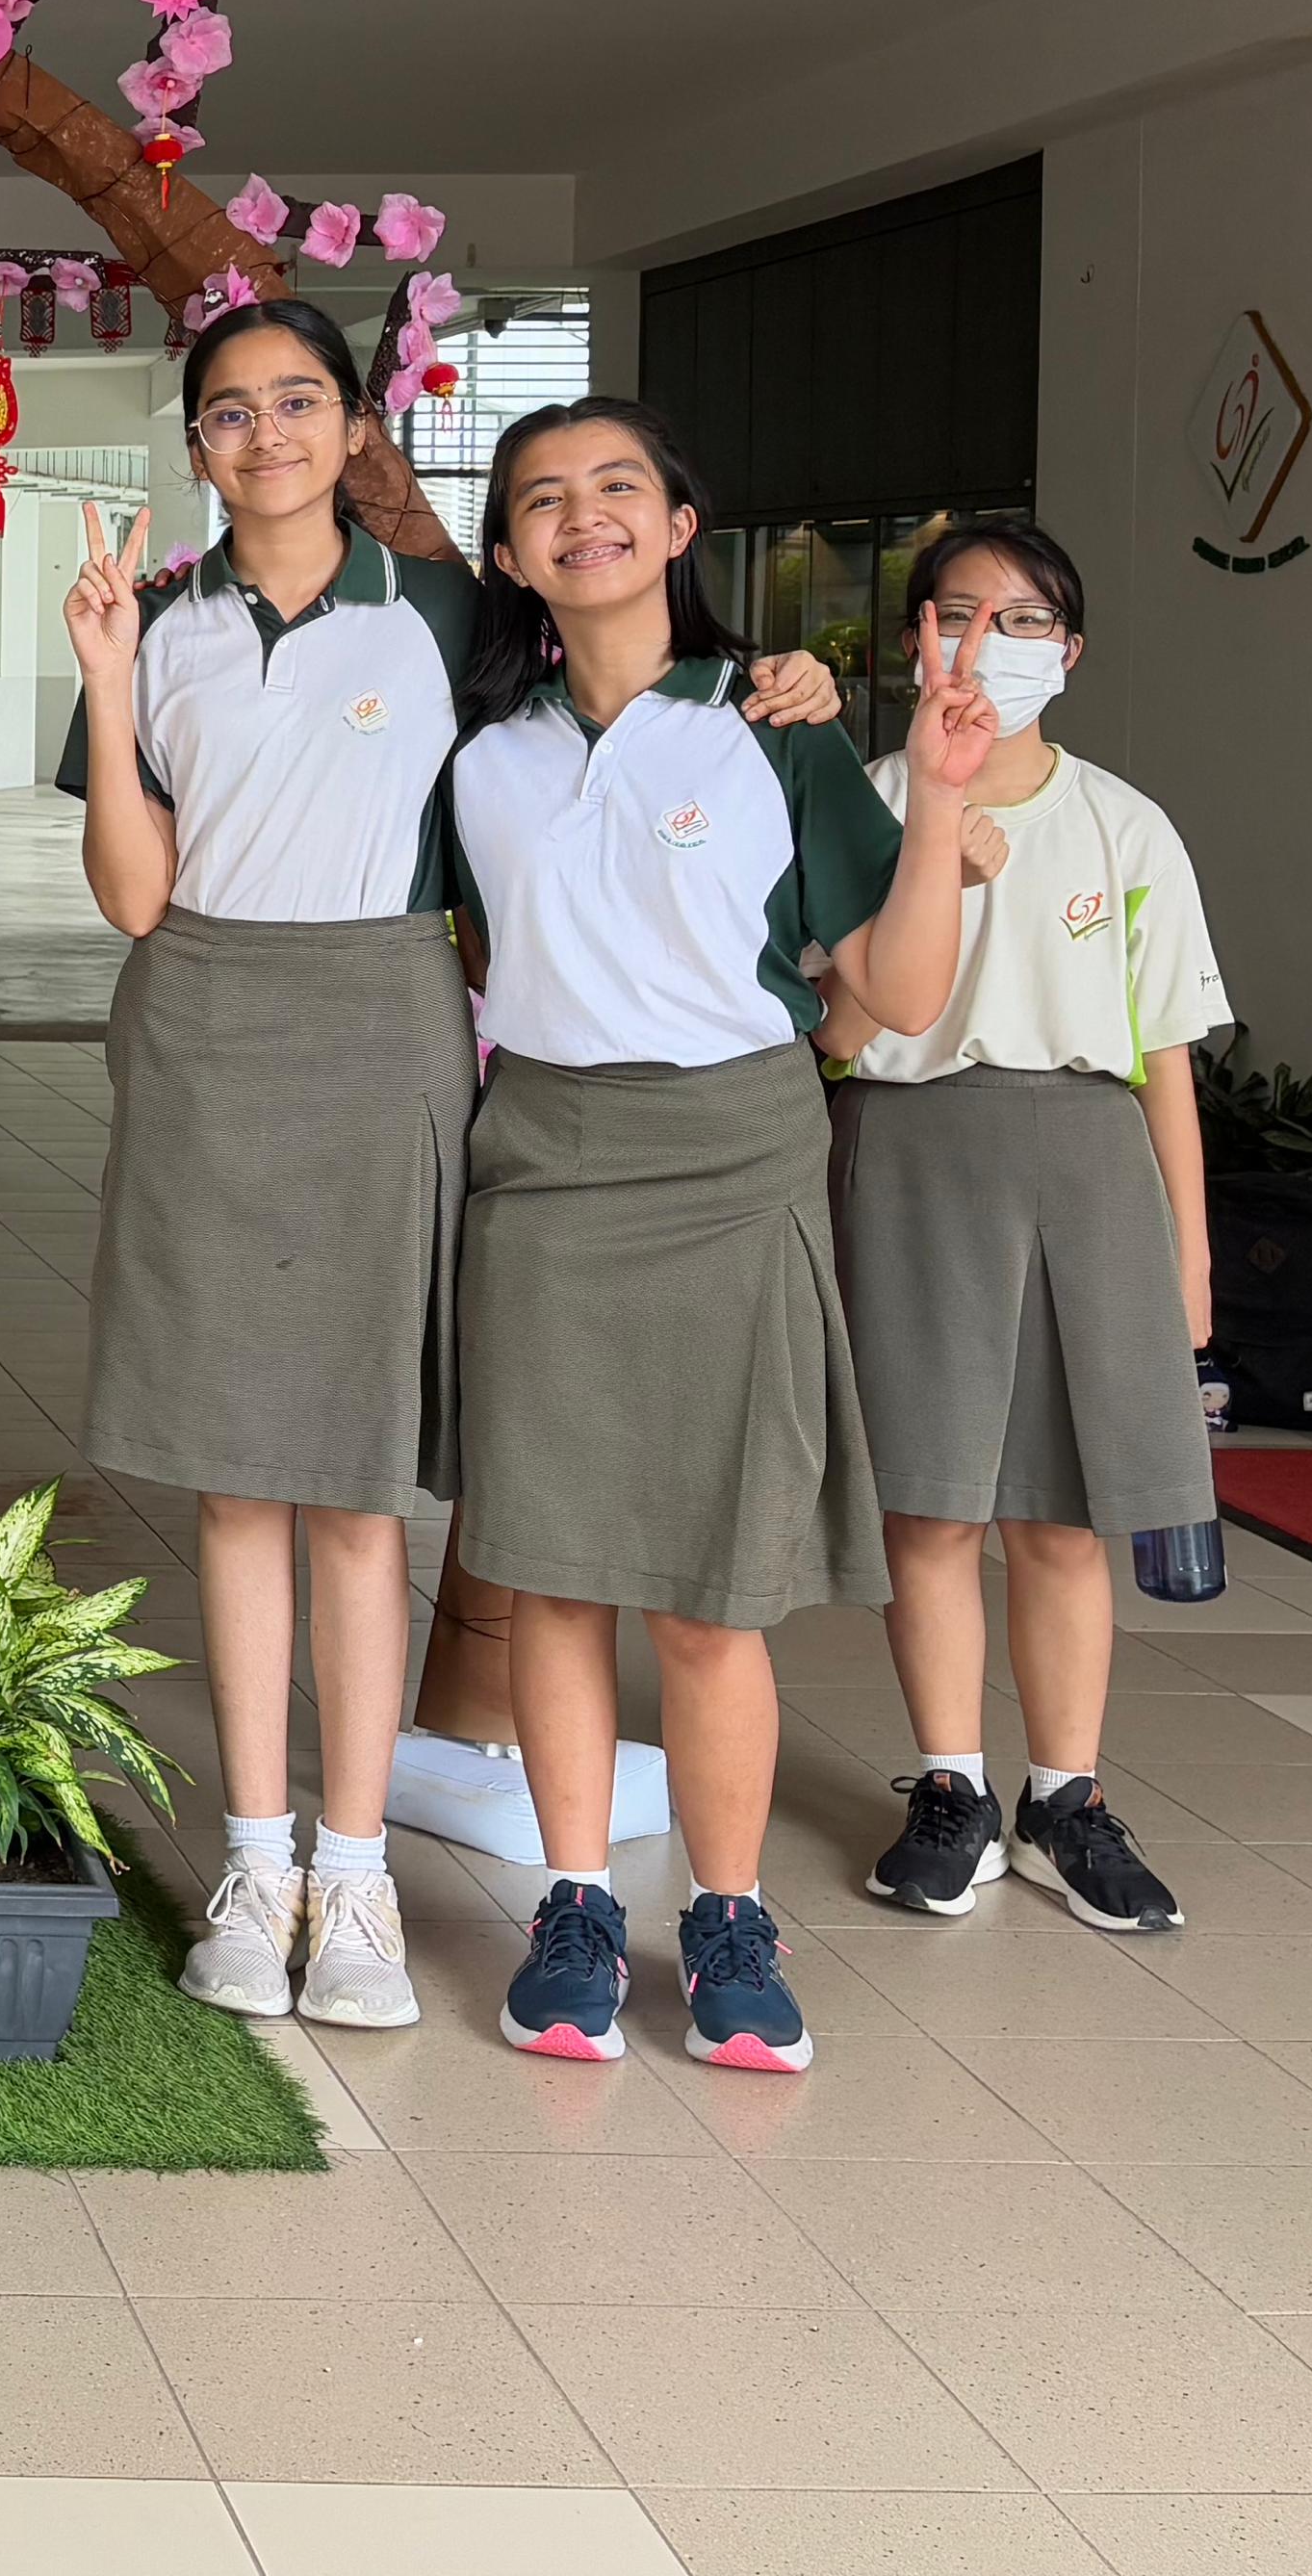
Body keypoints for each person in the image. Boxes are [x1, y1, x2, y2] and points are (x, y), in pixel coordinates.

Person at [59, 304, 836, 2029]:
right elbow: (130, 895)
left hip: (383, 1031)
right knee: (232, 1479)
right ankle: (255, 1861)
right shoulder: (156, 627)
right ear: (195, 445)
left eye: (301, 401)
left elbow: (629, 675)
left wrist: (794, 681)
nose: (266, 433)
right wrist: (105, 687)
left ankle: (356, 1874)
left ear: (358, 426)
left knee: (355, 1483)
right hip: (200, 1030)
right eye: (231, 411)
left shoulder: (457, 615)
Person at [441, 394, 972, 2075]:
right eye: (543, 498)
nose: (582, 515)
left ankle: (730, 1919)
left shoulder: (774, 728)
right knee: (554, 1574)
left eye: (619, 487)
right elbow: (477, 959)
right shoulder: (481, 754)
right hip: (543, 1167)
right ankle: (578, 1907)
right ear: (510, 553)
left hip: (733, 1163)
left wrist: (940, 797)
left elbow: (897, 994)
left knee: (709, 1598)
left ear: (680, 526)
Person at [824, 520, 1223, 1934]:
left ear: (1071, 651)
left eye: (1025, 620)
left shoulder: (1125, 824)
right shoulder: (859, 804)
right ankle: (951, 1790)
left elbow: (1164, 1053)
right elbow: (830, 1031)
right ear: (913, 640)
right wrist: (939, 869)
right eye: (959, 613)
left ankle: (1066, 1799)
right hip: (909, 1150)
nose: (988, 644)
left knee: (1061, 1512)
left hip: (1086, 1162)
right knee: (929, 1503)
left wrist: (1188, 1257)